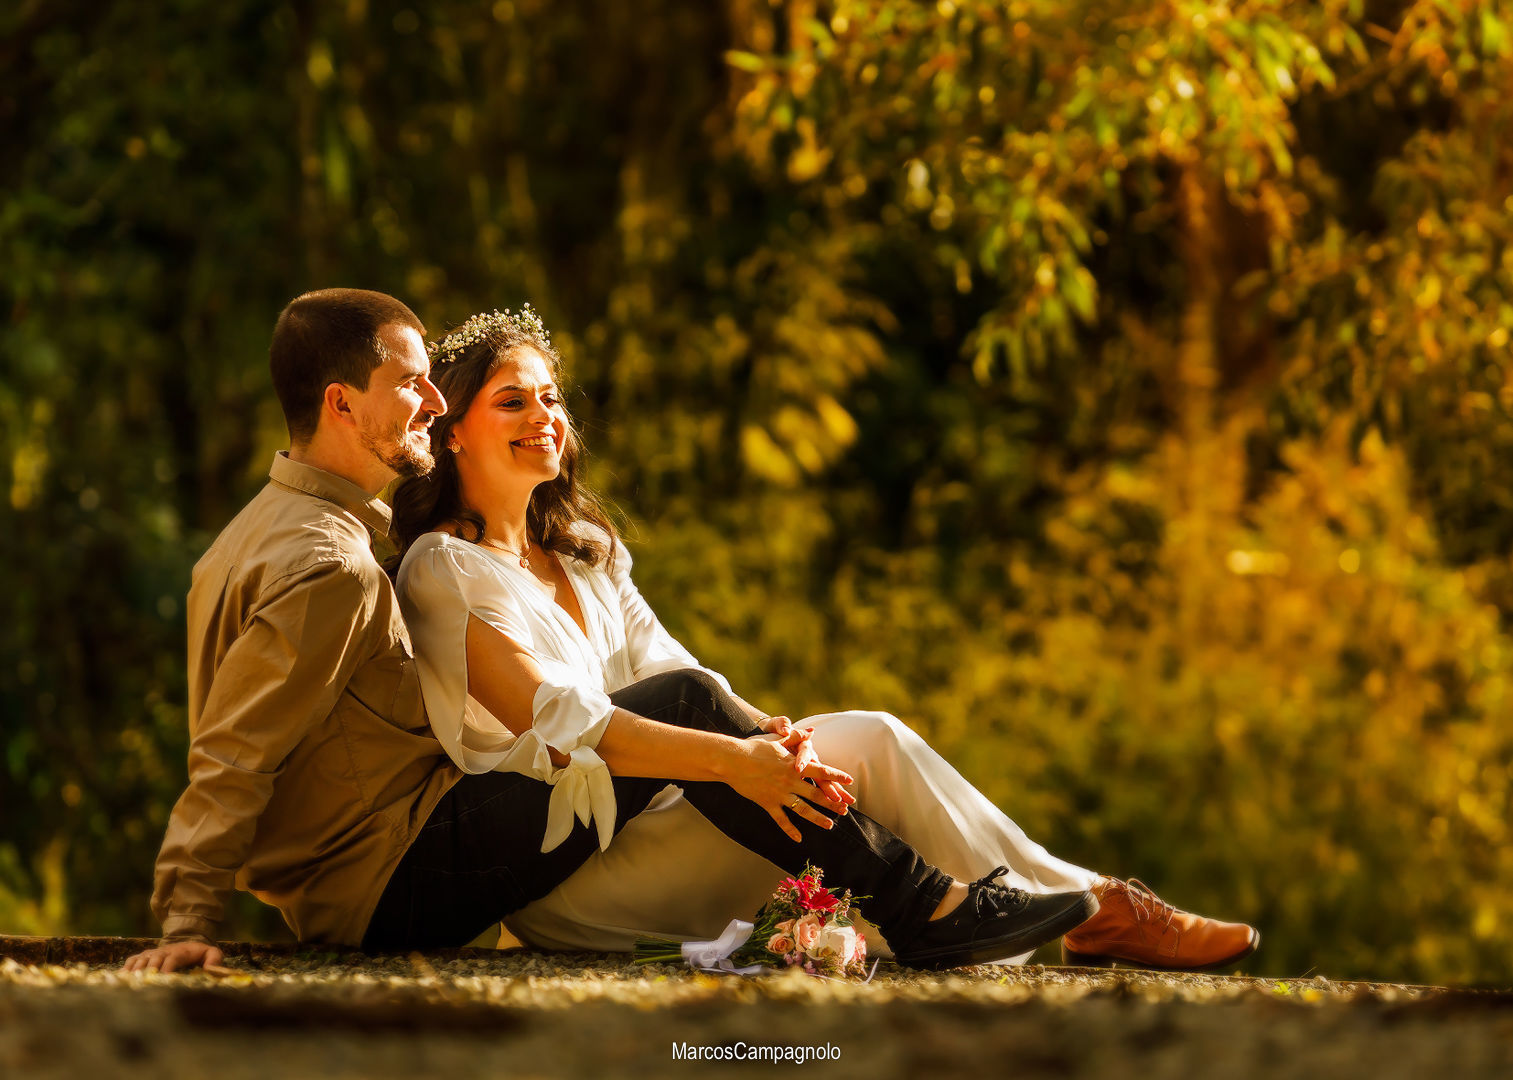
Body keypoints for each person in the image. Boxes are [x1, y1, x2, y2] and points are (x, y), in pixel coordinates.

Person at [125, 288, 1097, 974]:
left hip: (388, 857)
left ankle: (930, 902)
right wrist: (187, 915)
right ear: (342, 403)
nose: (430, 399)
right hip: (386, 877)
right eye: (411, 383)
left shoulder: (263, 533)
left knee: (685, 701)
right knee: (672, 710)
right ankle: (920, 903)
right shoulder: (330, 567)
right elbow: (234, 753)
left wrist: (761, 740)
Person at [389, 306, 1261, 971]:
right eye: (512, 401)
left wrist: (774, 737)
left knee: (866, 735)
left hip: (677, 822)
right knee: (734, 731)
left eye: (550, 398)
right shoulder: (442, 568)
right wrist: (735, 758)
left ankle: (1092, 906)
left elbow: (674, 669)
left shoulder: (586, 552)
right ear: (453, 428)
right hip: (573, 871)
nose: (541, 415)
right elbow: (553, 720)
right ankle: (988, 909)